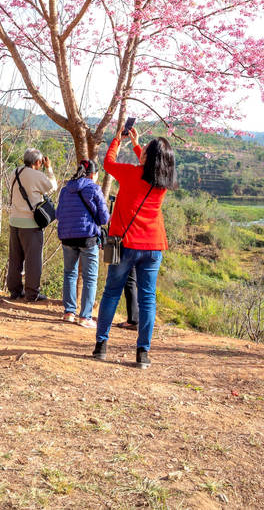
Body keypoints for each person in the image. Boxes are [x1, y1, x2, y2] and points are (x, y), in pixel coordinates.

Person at [93, 127, 176, 369]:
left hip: (121, 242)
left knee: (111, 293)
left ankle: (101, 346)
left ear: (148, 158)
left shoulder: (129, 173)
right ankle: (143, 353)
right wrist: (139, 144)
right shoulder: (162, 182)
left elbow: (108, 163)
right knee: (148, 299)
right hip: (153, 246)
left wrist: (119, 139)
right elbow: (151, 165)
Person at [56, 159, 109, 327]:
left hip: (67, 237)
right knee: (90, 277)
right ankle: (85, 317)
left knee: (69, 273)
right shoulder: (94, 188)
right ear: (93, 174)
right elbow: (104, 218)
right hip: (87, 238)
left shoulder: (65, 190)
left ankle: (69, 312)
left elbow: (58, 214)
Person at [7, 148, 57, 302]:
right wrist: (49, 169)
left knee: (15, 258)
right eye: (41, 162)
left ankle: (15, 291)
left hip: (14, 220)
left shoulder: (14, 172)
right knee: (33, 260)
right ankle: (32, 294)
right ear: (37, 162)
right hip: (31, 224)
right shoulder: (37, 175)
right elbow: (52, 187)